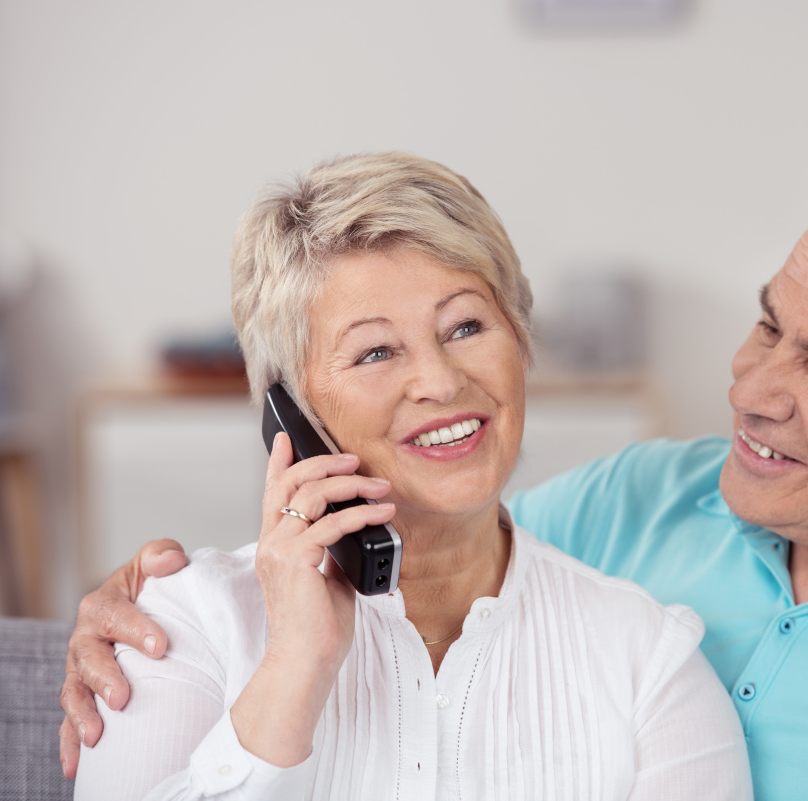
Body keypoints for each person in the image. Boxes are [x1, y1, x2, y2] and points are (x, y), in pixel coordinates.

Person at [63, 141, 808, 798]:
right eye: (769, 325)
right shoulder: (639, 504)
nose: (754, 389)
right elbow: (446, 545)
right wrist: (165, 604)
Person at [69, 152, 750, 799]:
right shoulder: (184, 623)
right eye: (374, 351)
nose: (439, 380)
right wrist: (293, 669)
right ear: (291, 415)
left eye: (464, 327)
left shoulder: (649, 662)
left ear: (519, 338)